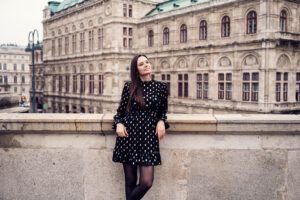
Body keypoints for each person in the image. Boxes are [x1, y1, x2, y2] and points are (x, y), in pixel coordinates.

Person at [112, 55, 169, 200]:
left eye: (147, 62)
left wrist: (161, 121)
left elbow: (162, 110)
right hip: (129, 136)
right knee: (130, 183)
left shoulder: (161, 87)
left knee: (146, 182)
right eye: (141, 64)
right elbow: (120, 112)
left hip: (148, 138)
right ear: (136, 70)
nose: (146, 65)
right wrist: (119, 123)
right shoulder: (129, 87)